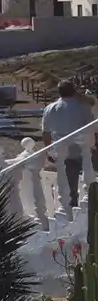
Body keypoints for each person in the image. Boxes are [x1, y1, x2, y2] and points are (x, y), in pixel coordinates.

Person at [42, 80, 98, 209]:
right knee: (91, 180)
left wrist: (49, 151)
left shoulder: (50, 108)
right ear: (73, 91)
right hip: (84, 149)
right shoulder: (83, 107)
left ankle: (72, 212)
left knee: (70, 189)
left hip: (63, 152)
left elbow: (46, 133)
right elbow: (93, 129)